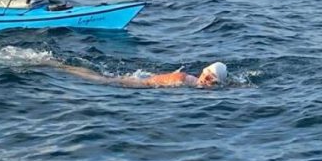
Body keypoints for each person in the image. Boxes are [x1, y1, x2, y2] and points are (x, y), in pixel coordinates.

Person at [51, 60, 228, 88]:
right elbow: (152, 82)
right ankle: (56, 65)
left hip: (144, 81)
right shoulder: (182, 79)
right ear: (203, 72)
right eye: (207, 76)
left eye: (212, 80)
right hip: (140, 83)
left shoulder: (194, 85)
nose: (207, 82)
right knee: (102, 80)